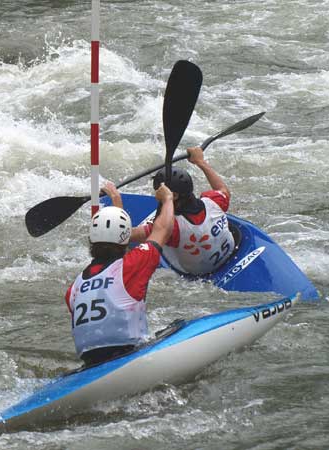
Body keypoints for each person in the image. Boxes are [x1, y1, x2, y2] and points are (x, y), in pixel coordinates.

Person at [64, 181, 174, 367]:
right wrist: (168, 199)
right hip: (128, 355)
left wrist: (116, 200)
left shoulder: (74, 288)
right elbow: (163, 229)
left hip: (89, 363)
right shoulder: (132, 265)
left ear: (92, 239)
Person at [131, 146, 235, 276]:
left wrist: (115, 199)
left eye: (157, 191)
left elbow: (126, 236)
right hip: (230, 254)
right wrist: (200, 162)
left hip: (198, 274)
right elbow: (222, 189)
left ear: (173, 195)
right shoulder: (213, 202)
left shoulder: (172, 229)